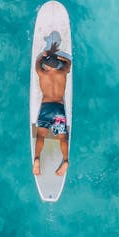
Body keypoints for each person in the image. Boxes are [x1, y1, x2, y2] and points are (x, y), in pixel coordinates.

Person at [33, 41, 72, 177]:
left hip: (46, 106)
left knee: (41, 135)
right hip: (58, 108)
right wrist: (56, 56)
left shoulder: (42, 73)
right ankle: (66, 161)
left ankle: (37, 158)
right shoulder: (63, 72)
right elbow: (68, 62)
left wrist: (45, 55)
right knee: (62, 137)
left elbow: (37, 62)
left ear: (46, 66)